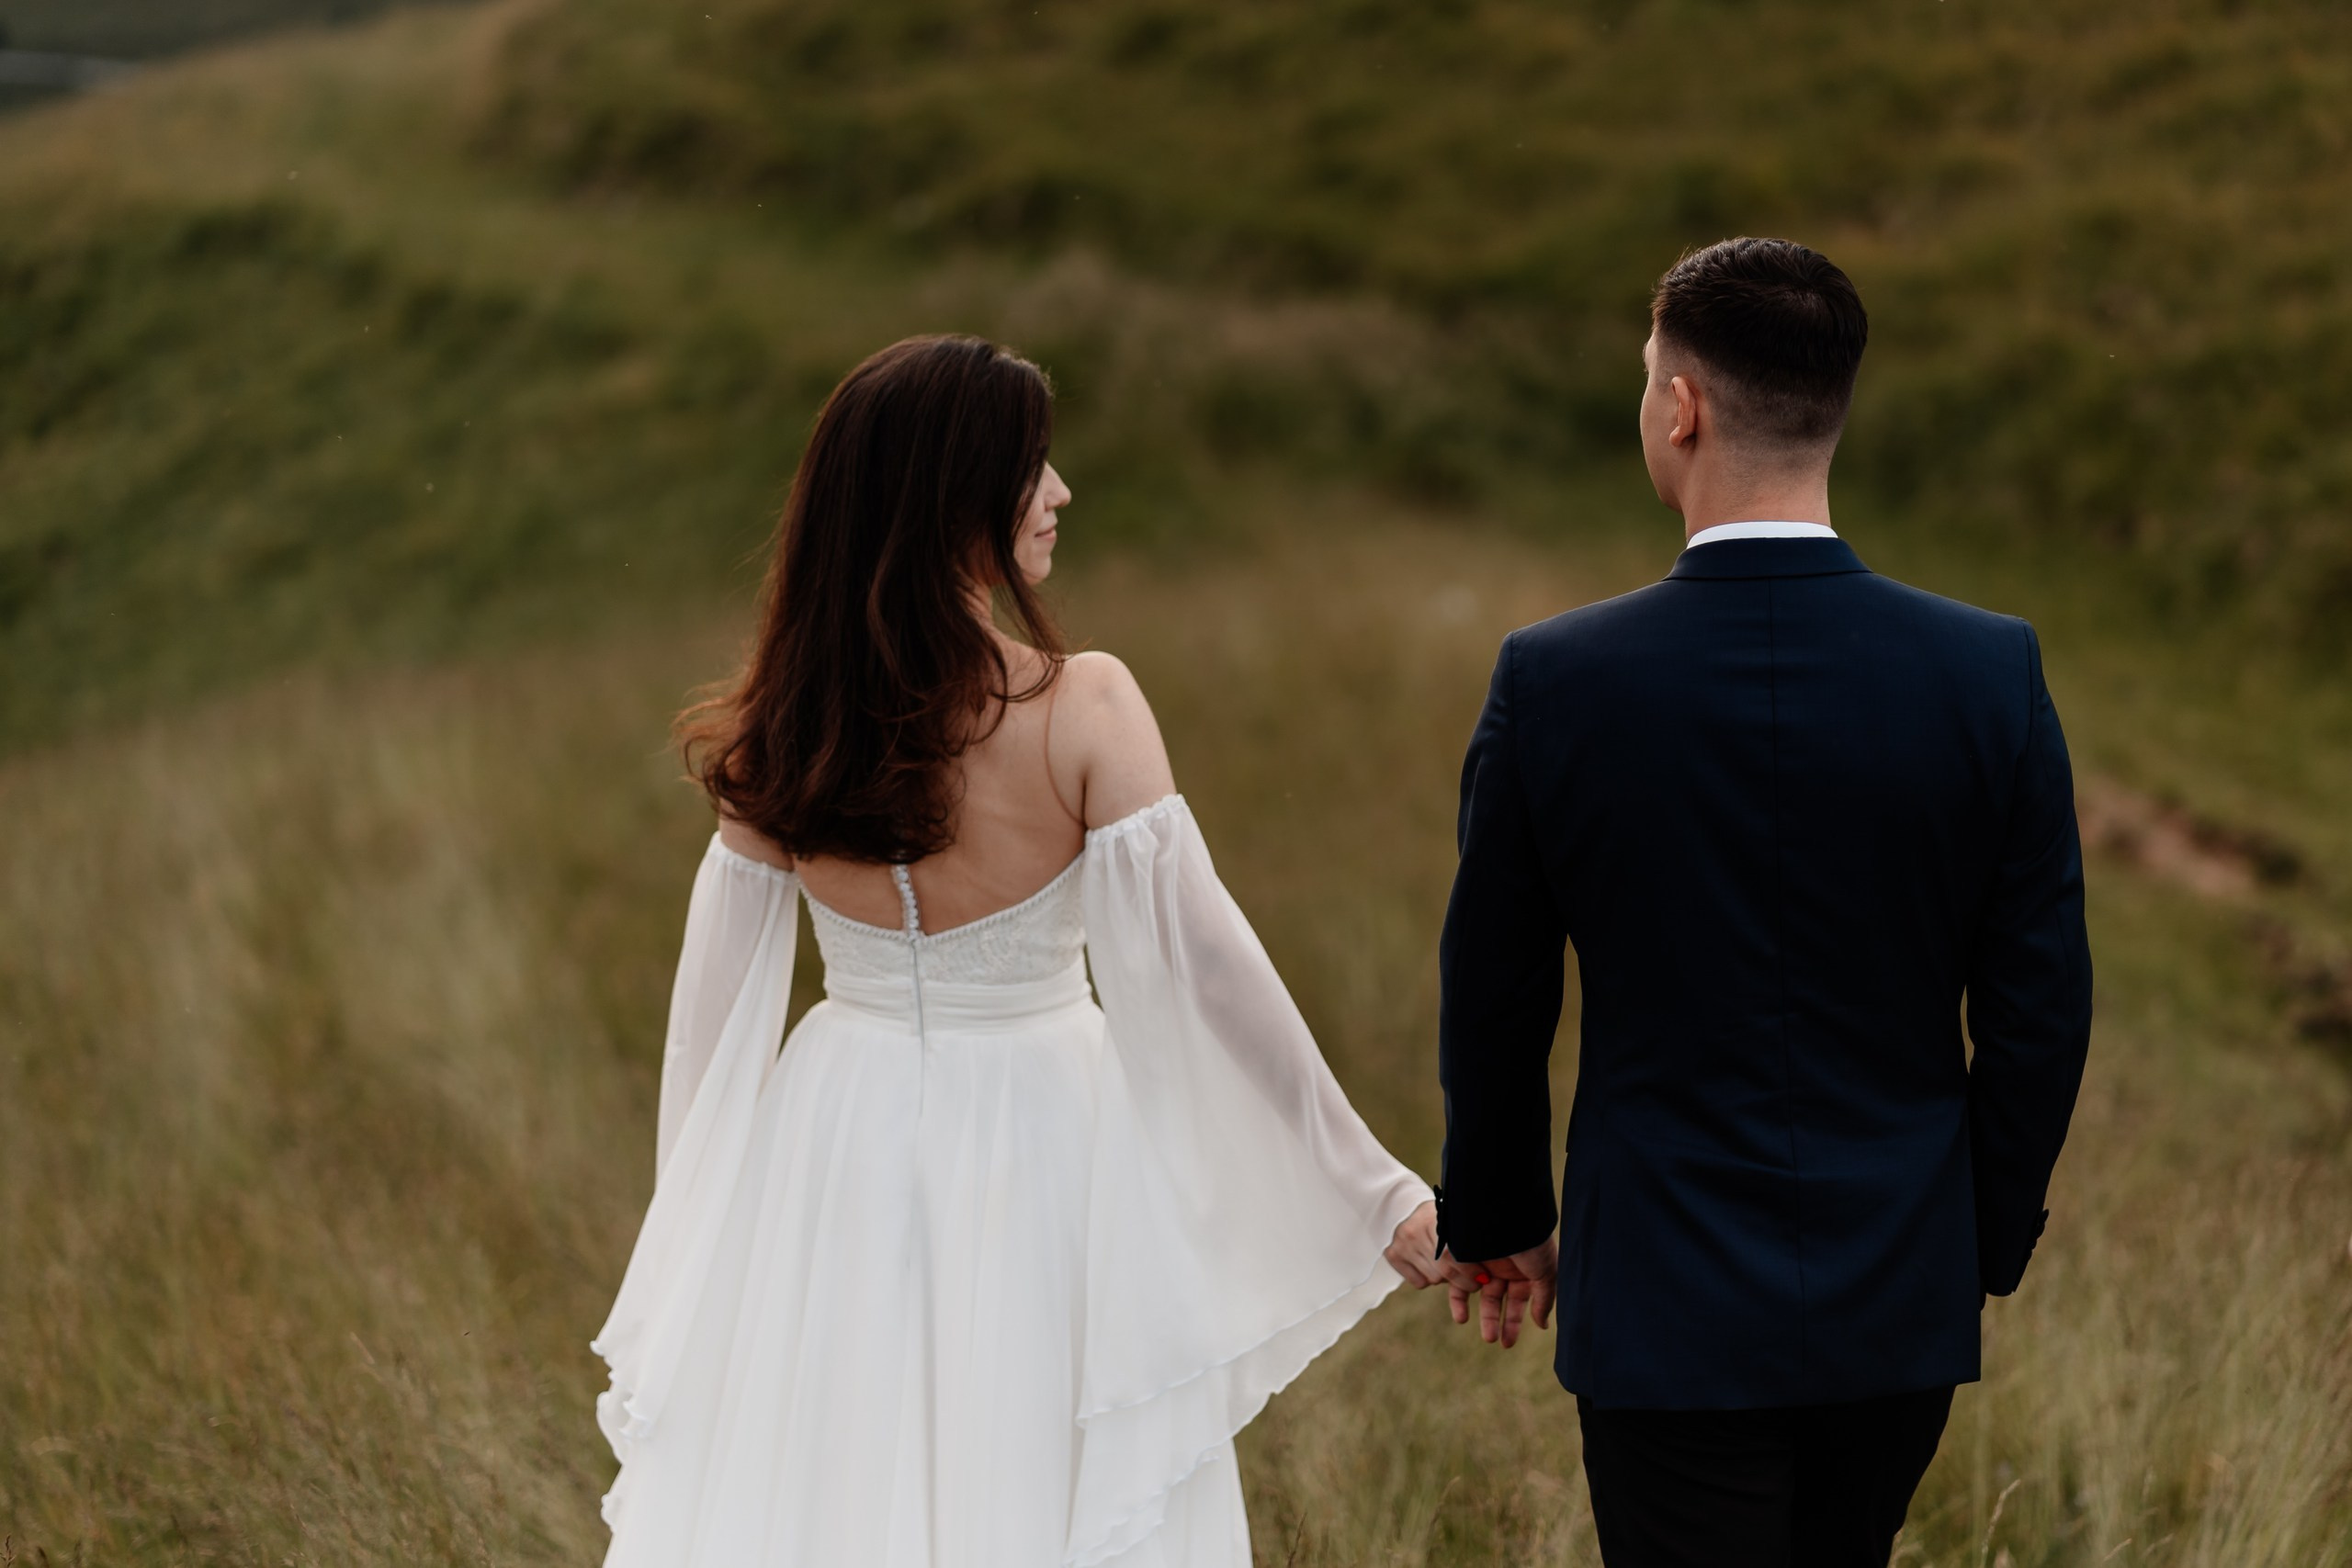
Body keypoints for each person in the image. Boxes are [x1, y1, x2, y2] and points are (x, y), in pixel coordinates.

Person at [588, 333, 1440, 1568]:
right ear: (953, 497)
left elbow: (710, 1031)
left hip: (828, 1142)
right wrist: (1377, 1194)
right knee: (1034, 1477)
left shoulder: (783, 728)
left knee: (838, 1484)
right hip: (1047, 1137)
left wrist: (700, 1255)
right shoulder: (1084, 706)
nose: (1059, 492)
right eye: (1031, 466)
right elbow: (1207, 972)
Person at [1431, 238, 2093, 1566]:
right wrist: (1968, 1243)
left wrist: (1499, 1223)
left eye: (1646, 381)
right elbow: (2042, 1012)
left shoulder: (1556, 680)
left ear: (1682, 408)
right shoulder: (1987, 672)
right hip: (1897, 1294)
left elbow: (1496, 993)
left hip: (1659, 1293)